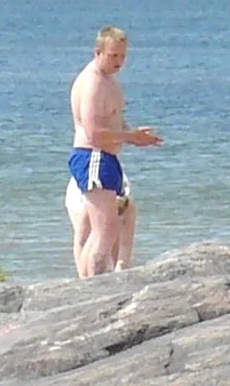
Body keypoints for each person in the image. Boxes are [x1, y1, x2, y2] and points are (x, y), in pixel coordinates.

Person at [69, 26, 162, 278]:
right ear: (97, 52)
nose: (119, 62)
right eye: (113, 56)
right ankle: (94, 283)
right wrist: (130, 136)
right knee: (105, 229)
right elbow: (93, 131)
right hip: (93, 156)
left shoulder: (108, 80)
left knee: (105, 228)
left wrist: (133, 136)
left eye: (122, 56)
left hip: (105, 158)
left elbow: (112, 121)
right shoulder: (92, 83)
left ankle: (90, 280)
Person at [65, 177, 137, 274]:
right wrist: (83, 276)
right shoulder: (86, 206)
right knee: (94, 239)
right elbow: (80, 242)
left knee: (111, 237)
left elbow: (126, 243)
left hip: (108, 182)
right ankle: (88, 277)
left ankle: (106, 272)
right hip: (82, 192)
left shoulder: (127, 205)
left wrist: (121, 267)